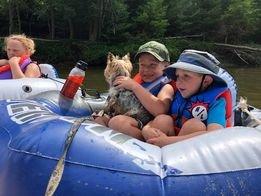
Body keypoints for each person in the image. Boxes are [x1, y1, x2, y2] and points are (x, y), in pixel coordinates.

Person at [142, 50, 234, 147]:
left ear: (206, 81)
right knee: (163, 119)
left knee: (195, 125)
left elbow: (215, 135)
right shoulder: (177, 93)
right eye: (177, 76)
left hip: (189, 152)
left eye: (186, 76)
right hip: (168, 139)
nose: (179, 82)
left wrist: (168, 141)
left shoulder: (217, 102)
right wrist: (146, 129)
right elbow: (153, 121)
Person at [107, 41, 175, 140]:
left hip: (148, 125)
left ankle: (145, 146)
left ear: (166, 66)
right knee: (100, 119)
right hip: (129, 116)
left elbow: (160, 110)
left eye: (152, 65)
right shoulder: (138, 81)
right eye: (142, 65)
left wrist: (135, 87)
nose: (146, 70)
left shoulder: (166, 87)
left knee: (118, 123)